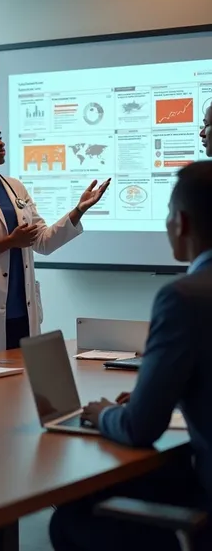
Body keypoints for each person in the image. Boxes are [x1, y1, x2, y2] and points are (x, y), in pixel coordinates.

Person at [50, 160, 212, 551]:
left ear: (183, 223)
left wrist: (105, 412)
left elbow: (141, 428)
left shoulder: (184, 298)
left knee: (72, 515)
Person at [0, 106, 110, 360]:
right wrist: (9, 242)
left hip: (21, 313)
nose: (0, 142)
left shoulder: (14, 187)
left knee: (22, 388)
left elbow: (43, 242)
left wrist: (78, 211)